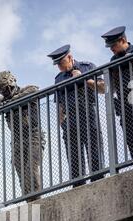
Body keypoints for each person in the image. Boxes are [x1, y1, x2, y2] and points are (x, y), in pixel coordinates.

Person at [48, 45, 105, 187]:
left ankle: (98, 183)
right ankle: (78, 186)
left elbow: (103, 88)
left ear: (70, 57)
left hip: (88, 114)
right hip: (70, 120)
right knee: (74, 159)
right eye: (57, 65)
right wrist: (62, 123)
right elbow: (60, 104)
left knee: (95, 152)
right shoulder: (59, 78)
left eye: (61, 63)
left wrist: (85, 78)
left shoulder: (88, 66)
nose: (60, 67)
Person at [0, 71, 45, 197]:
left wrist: (11, 102)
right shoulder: (2, 99)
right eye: (2, 91)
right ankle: (28, 199)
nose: (4, 92)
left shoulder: (28, 89)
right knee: (20, 170)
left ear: (12, 83)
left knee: (31, 169)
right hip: (17, 140)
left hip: (34, 135)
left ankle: (36, 198)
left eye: (6, 89)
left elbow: (35, 91)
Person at [101, 26, 133, 161]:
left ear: (122, 40)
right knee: (132, 142)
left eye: (113, 45)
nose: (111, 49)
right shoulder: (113, 60)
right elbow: (112, 85)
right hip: (126, 109)